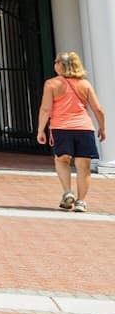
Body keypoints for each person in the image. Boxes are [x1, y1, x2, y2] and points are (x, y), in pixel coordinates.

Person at [37, 52, 105, 213]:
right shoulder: (85, 84)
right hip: (84, 128)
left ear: (61, 65)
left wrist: (41, 129)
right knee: (84, 166)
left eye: (56, 62)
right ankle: (81, 201)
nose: (55, 64)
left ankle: (68, 192)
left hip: (61, 127)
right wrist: (102, 127)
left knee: (62, 160)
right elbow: (98, 109)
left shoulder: (52, 84)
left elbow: (46, 108)